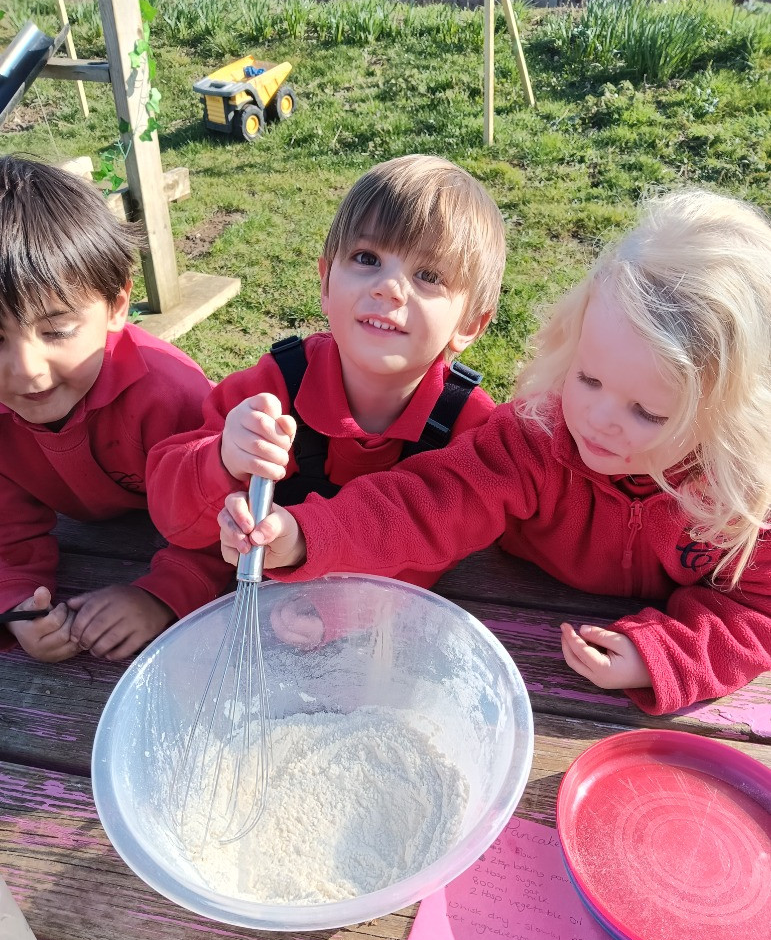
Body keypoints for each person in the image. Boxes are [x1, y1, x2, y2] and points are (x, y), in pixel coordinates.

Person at [218, 187, 771, 716]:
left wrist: (664, 654)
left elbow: (757, 610)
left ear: (728, 418)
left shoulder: (743, 496)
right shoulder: (536, 438)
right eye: (588, 378)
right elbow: (422, 505)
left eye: (648, 412)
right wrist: (303, 536)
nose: (598, 421)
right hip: (497, 623)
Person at [147, 154, 506, 588]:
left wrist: (318, 576)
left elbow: (437, 532)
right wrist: (222, 459)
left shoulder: (471, 429)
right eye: (367, 257)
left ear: (469, 324)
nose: (388, 287)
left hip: (391, 631)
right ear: (325, 281)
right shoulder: (274, 389)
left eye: (428, 274)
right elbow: (170, 514)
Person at [0, 155, 231, 663]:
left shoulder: (174, 397)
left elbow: (229, 515)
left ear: (117, 304)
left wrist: (163, 595)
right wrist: (19, 605)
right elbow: (6, 527)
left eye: (56, 331)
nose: (26, 372)